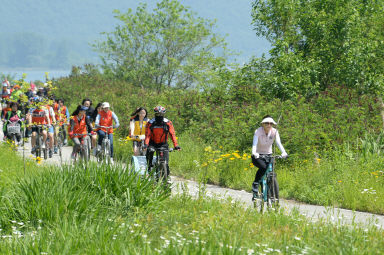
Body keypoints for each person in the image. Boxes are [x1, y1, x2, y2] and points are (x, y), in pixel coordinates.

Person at [251, 115, 288, 199]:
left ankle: (270, 191)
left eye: (271, 123)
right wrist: (254, 152)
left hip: (268, 154)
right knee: (263, 167)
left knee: (271, 171)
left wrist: (284, 152)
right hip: (258, 155)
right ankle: (256, 184)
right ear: (263, 124)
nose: (269, 125)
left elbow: (278, 143)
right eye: (267, 123)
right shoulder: (258, 131)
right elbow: (254, 144)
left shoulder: (275, 131)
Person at [145, 106, 181, 176]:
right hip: (152, 143)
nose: (159, 116)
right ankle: (149, 168)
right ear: (155, 114)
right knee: (149, 153)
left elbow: (172, 134)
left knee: (166, 162)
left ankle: (166, 178)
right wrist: (146, 144)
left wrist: (176, 145)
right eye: (158, 114)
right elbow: (148, 135)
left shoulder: (168, 123)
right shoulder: (150, 123)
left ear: (164, 114)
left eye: (161, 114)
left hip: (163, 144)